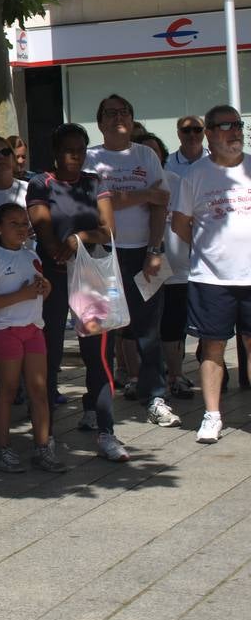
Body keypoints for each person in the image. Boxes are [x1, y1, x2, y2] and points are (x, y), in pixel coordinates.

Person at [27, 122, 127, 461]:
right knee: (50, 355)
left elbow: (107, 230)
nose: (75, 155)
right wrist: (58, 249)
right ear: (55, 151)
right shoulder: (40, 183)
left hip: (92, 278)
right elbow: (41, 227)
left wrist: (79, 239)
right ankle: (46, 436)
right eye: (68, 149)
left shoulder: (94, 182)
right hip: (54, 278)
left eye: (81, 149)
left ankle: (106, 431)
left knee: (98, 355)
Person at [85, 94, 181, 430]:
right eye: (110, 113)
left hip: (144, 251)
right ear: (100, 122)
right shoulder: (90, 158)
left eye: (124, 111)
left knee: (148, 331)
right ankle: (98, 404)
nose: (118, 117)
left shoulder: (146, 155)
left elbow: (161, 202)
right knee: (104, 334)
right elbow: (98, 206)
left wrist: (155, 250)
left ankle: (155, 396)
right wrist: (141, 195)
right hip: (104, 255)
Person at [172, 105, 251, 444]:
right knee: (213, 347)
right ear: (210, 134)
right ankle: (212, 415)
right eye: (226, 126)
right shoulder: (195, 175)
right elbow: (179, 224)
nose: (235, 131)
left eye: (239, 125)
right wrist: (208, 251)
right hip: (211, 278)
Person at [0, 203, 66, 473]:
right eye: (13, 223)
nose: (21, 228)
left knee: (39, 390)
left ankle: (43, 447)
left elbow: (36, 292)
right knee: (8, 390)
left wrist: (45, 289)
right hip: (5, 331)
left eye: (24, 223)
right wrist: (22, 295)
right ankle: (1, 449)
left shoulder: (31, 255)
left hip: (33, 328)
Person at [137, 133, 196, 401]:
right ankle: (137, 378)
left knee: (174, 326)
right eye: (144, 151)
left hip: (177, 268)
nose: (151, 156)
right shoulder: (132, 185)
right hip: (142, 265)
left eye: (155, 151)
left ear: (162, 154)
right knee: (142, 328)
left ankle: (176, 376)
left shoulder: (178, 182)